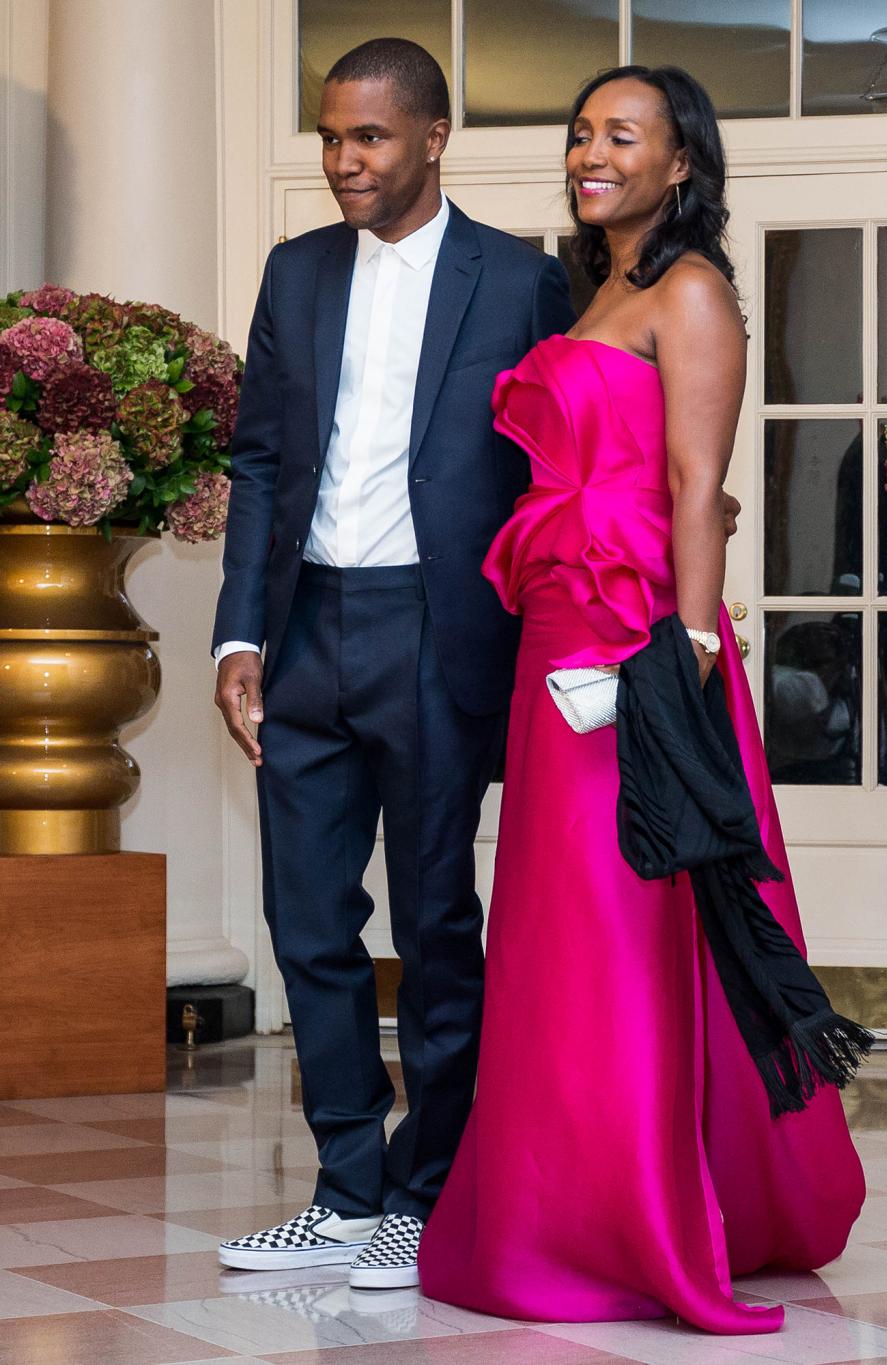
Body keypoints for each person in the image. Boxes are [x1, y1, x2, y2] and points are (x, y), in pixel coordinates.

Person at [211, 33, 745, 1290]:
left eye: (369, 138)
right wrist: (240, 631)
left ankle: (425, 1190)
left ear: (432, 139)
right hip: (303, 635)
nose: (344, 161)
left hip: (443, 636)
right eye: (331, 138)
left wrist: (679, 564)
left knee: (439, 922)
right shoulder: (292, 277)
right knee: (306, 919)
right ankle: (347, 1185)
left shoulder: (520, 279)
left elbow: (603, 434)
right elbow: (259, 466)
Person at [418, 65, 866, 1333]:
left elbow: (694, 482)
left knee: (629, 923)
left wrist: (678, 658)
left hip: (631, 642)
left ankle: (642, 1220)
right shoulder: (591, 291)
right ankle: (554, 1202)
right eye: (579, 135)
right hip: (554, 625)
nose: (589, 153)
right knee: (558, 924)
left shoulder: (691, 290)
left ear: (682, 165)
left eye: (623, 136)